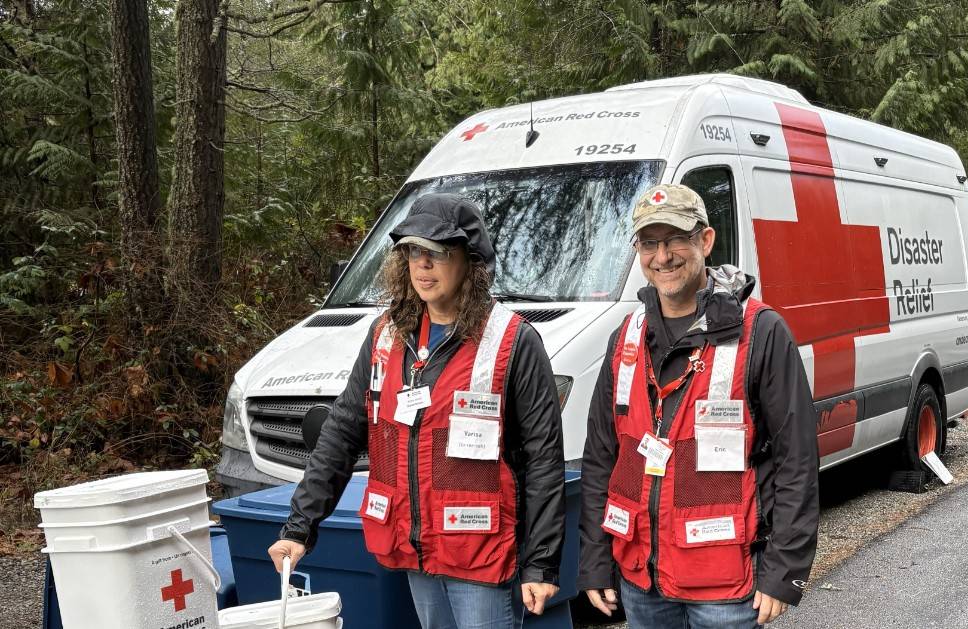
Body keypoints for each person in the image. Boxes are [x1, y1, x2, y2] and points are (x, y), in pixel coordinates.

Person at [267, 193, 566, 629]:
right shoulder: (387, 336)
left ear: (471, 259)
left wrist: (540, 564)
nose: (423, 265)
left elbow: (543, 461)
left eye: (438, 252)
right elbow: (343, 432)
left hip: (482, 556)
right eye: (413, 251)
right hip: (416, 550)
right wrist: (299, 527)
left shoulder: (513, 342)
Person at [578, 184, 820, 628]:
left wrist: (785, 570)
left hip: (726, 586)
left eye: (676, 240)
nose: (663, 256)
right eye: (649, 243)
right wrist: (595, 556)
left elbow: (797, 460)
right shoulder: (626, 338)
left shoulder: (762, 332)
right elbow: (602, 457)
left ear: (705, 241)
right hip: (642, 580)